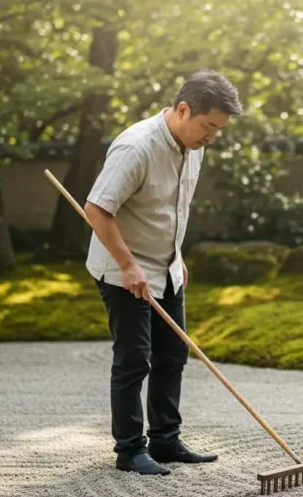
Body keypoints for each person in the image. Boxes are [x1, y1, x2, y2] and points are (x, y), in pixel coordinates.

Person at [83, 70, 242, 475]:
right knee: (135, 360)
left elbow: (170, 209)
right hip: (124, 272)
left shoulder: (194, 147)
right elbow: (97, 209)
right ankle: (130, 450)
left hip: (167, 267)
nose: (212, 137)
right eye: (209, 126)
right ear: (183, 109)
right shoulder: (136, 147)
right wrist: (127, 264)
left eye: (219, 130)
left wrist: (177, 254)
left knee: (173, 355)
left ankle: (166, 441)